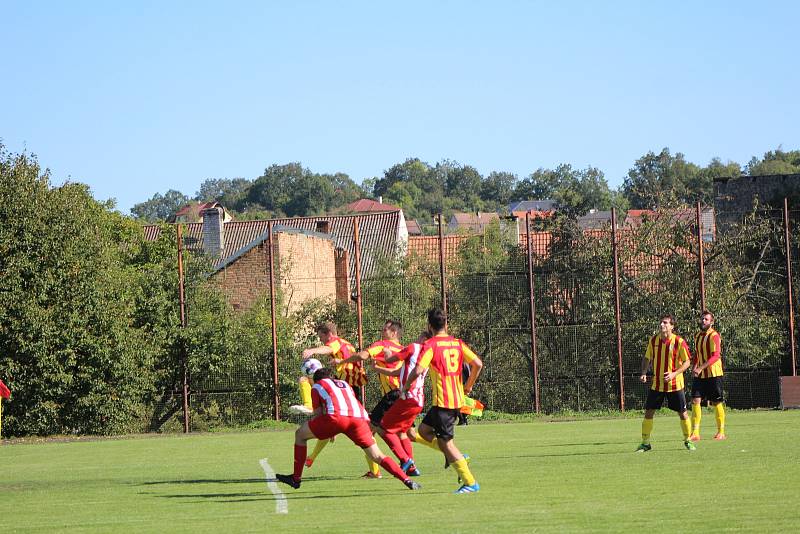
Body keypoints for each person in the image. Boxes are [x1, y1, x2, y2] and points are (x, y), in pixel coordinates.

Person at [275, 365, 421, 492]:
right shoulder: (344, 384)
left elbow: (318, 414)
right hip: (360, 420)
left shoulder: (317, 386)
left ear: (317, 379)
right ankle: (407, 480)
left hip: (336, 418)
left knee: (300, 435)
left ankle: (296, 478)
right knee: (377, 456)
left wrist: (328, 430)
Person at [402, 308, 483, 494]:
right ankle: (457, 457)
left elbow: (418, 370)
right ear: (446, 324)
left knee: (447, 444)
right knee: (421, 431)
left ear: (429, 326)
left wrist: (405, 387)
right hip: (455, 400)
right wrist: (468, 385)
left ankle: (470, 481)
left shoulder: (430, 345)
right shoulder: (457, 343)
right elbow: (477, 364)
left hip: (444, 402)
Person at [332, 320, 405, 478]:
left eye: (385, 329)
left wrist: (342, 361)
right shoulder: (403, 350)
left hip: (393, 394)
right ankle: (450, 454)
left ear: (393, 333)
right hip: (405, 394)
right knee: (410, 433)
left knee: (368, 431)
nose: (382, 331)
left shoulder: (382, 345)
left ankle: (391, 466)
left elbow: (362, 355)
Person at [300, 322, 368, 470]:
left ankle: (378, 470)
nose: (322, 340)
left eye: (321, 337)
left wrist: (313, 351)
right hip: (348, 387)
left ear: (329, 334)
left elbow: (328, 348)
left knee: (368, 431)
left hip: (346, 389)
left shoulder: (335, 342)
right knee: (334, 424)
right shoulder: (346, 343)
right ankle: (312, 457)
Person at [370, 330, 432, 477]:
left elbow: (392, 359)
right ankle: (411, 467)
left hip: (407, 396)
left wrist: (386, 353)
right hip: (418, 400)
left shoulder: (413, 347)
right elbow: (399, 372)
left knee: (382, 429)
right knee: (402, 433)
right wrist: (377, 369)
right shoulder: (429, 354)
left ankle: (405, 460)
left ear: (423, 338)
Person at [636, 315, 695, 452]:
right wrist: (644, 372)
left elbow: (687, 362)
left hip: (675, 385)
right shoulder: (654, 340)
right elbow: (647, 358)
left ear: (672, 326)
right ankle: (645, 443)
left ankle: (688, 440)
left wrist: (674, 373)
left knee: (683, 413)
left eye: (665, 323)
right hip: (657, 385)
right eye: (661, 322)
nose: (662, 325)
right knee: (649, 412)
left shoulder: (679, 342)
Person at [690, 310, 726, 441]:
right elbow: (697, 354)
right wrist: (695, 366)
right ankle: (695, 432)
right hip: (700, 374)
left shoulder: (714, 336)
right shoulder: (698, 336)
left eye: (706, 319)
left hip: (714, 374)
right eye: (702, 319)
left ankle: (721, 432)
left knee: (716, 401)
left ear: (712, 322)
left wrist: (700, 367)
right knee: (695, 400)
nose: (703, 321)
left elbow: (716, 356)